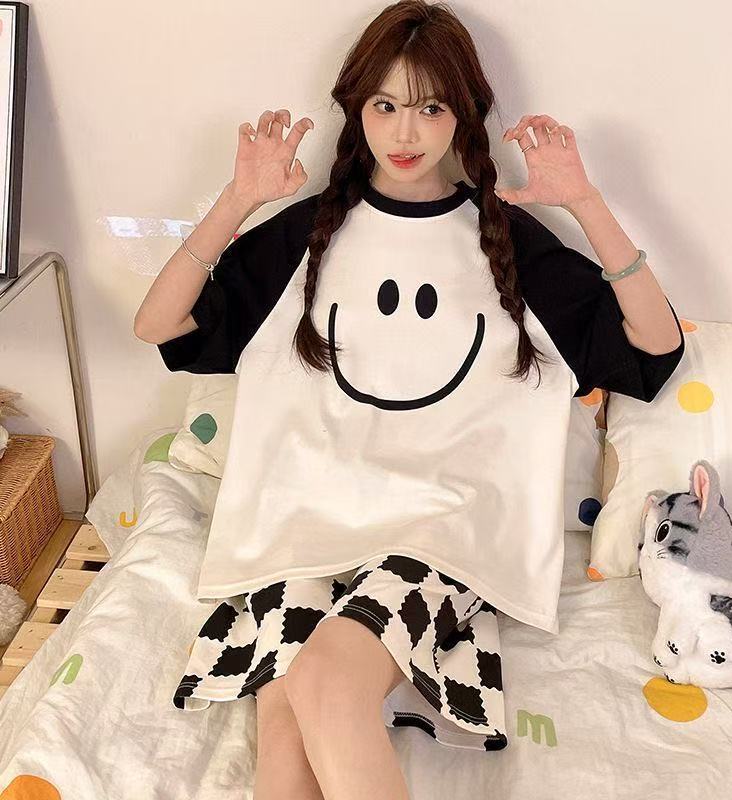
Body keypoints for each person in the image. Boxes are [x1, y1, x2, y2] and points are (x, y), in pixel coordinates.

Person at [134, 2, 685, 798]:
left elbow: (654, 348)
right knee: (283, 718)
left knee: (321, 682)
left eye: (430, 108)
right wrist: (237, 200)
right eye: (385, 105)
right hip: (302, 524)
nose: (404, 132)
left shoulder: (507, 238)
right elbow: (160, 325)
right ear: (356, 109)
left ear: (462, 116)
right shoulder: (308, 233)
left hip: (444, 529)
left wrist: (586, 205)